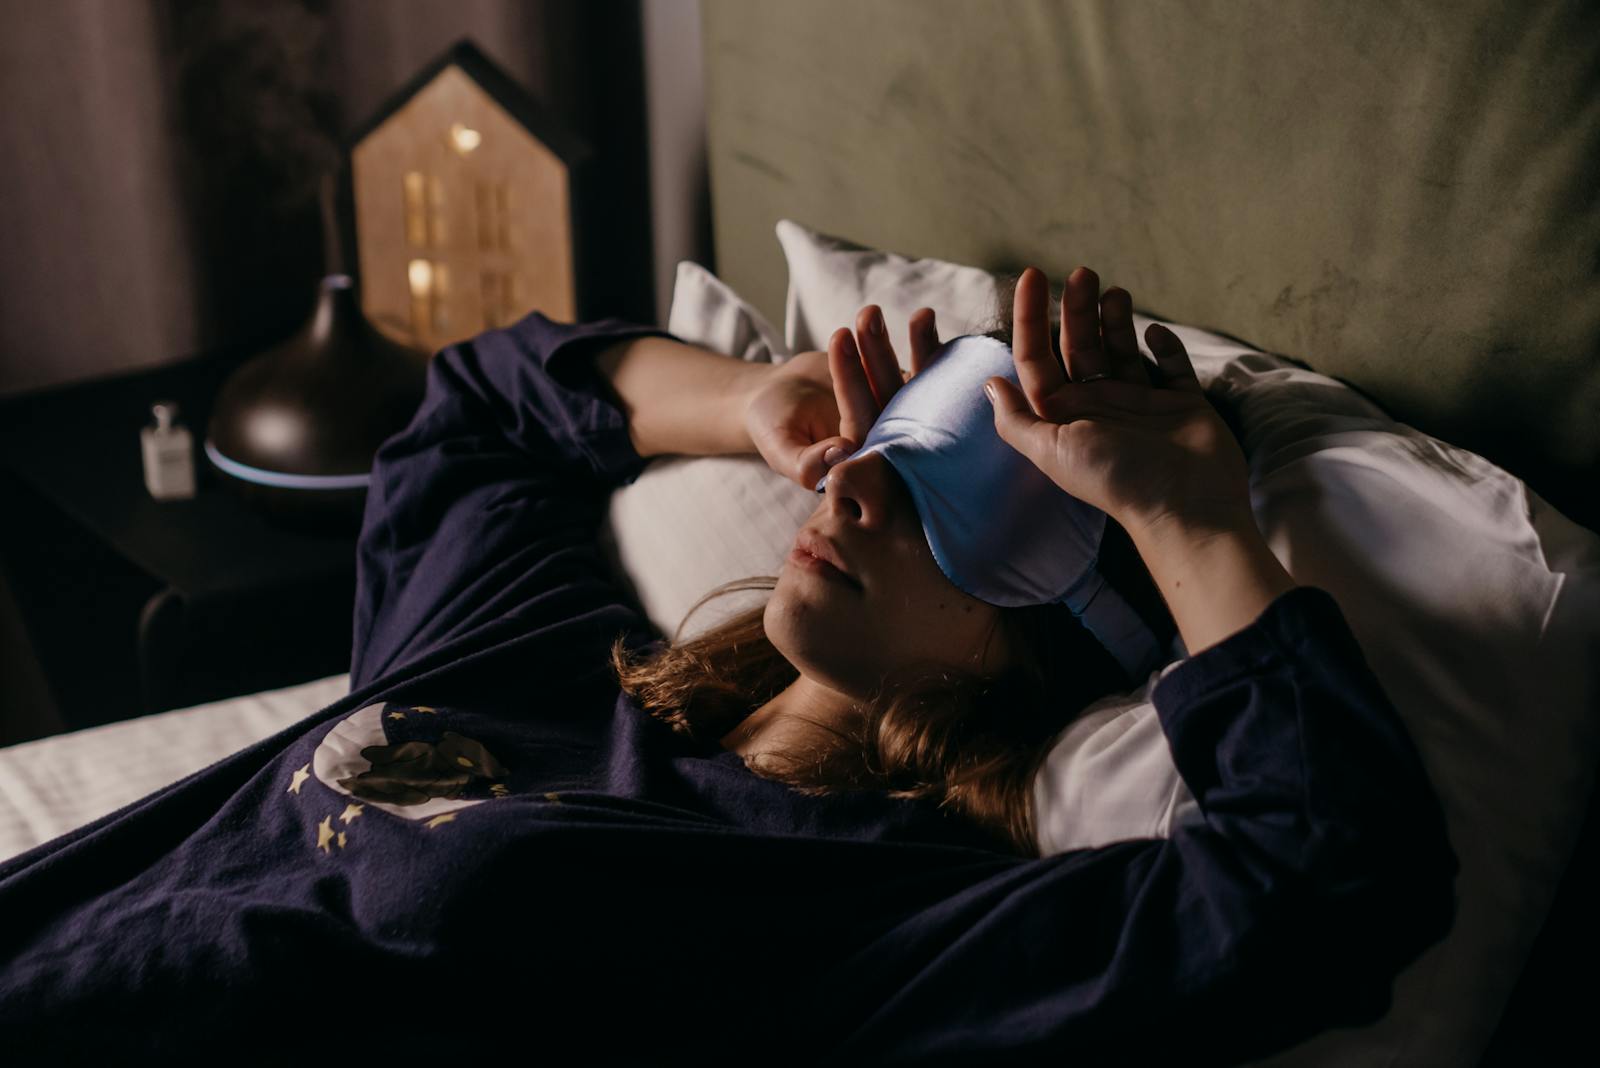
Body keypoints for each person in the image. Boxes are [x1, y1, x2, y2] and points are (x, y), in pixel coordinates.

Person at [0, 266, 1458, 1064]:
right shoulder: (553, 659)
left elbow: (1324, 885)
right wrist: (756, 397)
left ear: (1046, 639)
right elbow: (476, 413)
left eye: (950, 506)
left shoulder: (887, 924)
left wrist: (1186, 511)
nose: (859, 492)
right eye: (882, 454)